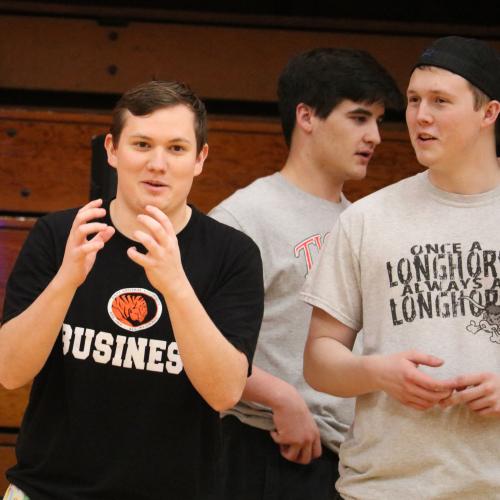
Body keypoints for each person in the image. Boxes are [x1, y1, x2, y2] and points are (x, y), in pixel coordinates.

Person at [0, 80, 264, 499]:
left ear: (200, 158)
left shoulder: (233, 254)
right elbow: (9, 372)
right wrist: (67, 279)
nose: (157, 163)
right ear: (112, 150)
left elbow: (225, 393)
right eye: (142, 144)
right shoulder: (59, 235)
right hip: (46, 490)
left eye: (176, 148)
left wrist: (176, 285)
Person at [302, 36, 500, 499]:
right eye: (413, 101)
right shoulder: (366, 219)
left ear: (489, 112)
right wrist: (377, 372)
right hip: (384, 489)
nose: (420, 116)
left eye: (440, 101)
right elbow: (318, 359)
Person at [209, 48, 402, 499]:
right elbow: (195, 344)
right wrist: (279, 396)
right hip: (262, 450)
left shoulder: (362, 222)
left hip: (347, 463)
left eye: (377, 120)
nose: (374, 135)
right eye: (358, 117)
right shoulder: (243, 218)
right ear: (307, 116)